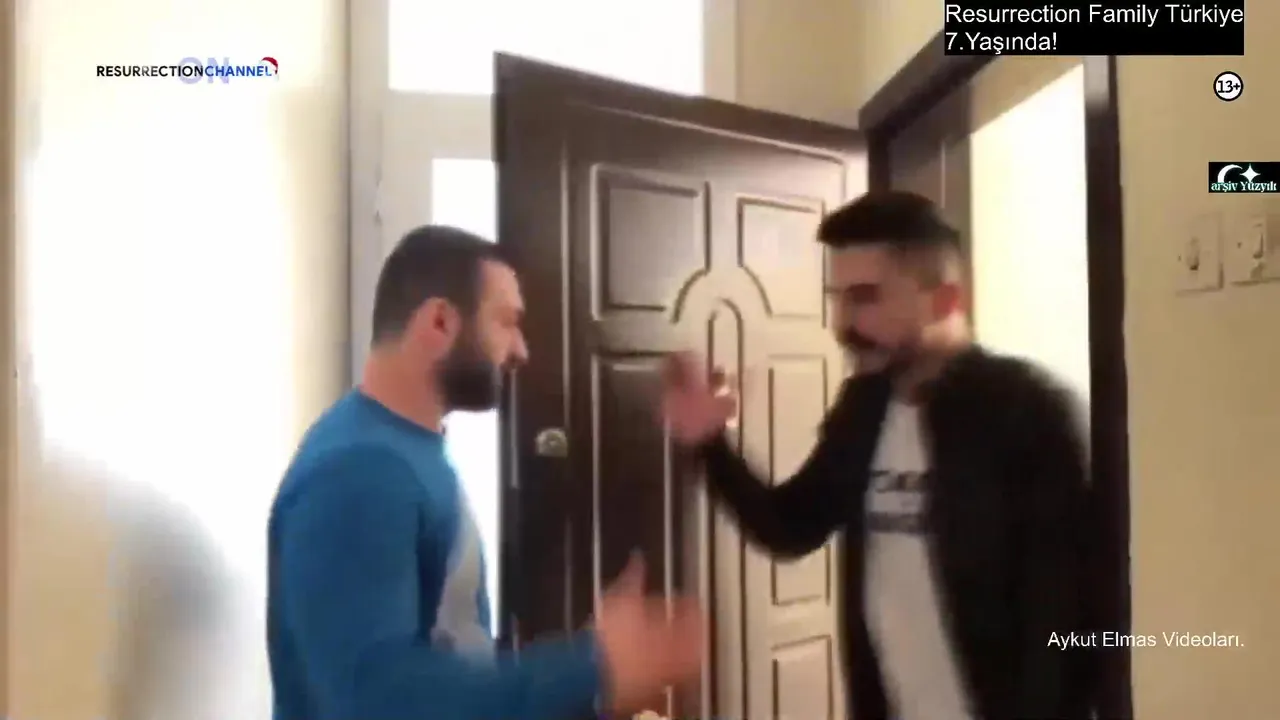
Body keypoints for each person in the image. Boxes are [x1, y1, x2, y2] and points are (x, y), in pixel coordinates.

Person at [661, 191, 1092, 720]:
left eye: (865, 298)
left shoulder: (1029, 410)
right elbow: (791, 526)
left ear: (945, 301)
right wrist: (710, 442)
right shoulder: (864, 407)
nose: (842, 323)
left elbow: (1070, 620)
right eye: (837, 298)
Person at [268, 225, 703, 720]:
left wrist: (589, 675)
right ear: (439, 323)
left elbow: (445, 655)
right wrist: (593, 667)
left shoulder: (407, 450)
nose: (521, 350)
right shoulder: (360, 473)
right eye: (506, 322)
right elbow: (376, 703)